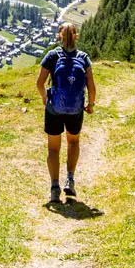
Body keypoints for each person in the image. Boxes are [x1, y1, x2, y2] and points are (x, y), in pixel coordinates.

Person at [36, 23, 95, 204]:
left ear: (59, 36)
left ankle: (54, 187)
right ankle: (70, 178)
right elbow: (91, 87)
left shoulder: (53, 56)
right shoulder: (83, 58)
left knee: (53, 148)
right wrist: (90, 104)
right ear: (76, 36)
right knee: (73, 142)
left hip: (54, 108)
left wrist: (45, 97)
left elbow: (39, 82)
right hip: (75, 109)